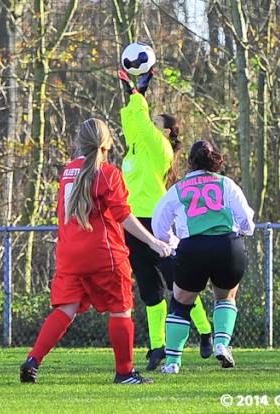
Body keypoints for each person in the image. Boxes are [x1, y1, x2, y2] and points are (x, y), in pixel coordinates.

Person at [19, 118, 171, 384]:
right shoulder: (108, 172)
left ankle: (33, 360)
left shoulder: (68, 171)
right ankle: (124, 373)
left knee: (65, 308)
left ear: (80, 141)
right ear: (107, 143)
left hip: (69, 253)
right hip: (104, 253)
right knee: (121, 309)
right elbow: (123, 216)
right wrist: (153, 242)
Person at [118, 68, 214, 371]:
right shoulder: (137, 148)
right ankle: (157, 346)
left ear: (168, 133)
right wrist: (130, 94)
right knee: (148, 288)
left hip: (155, 224)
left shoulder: (159, 147)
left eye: (157, 122)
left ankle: (206, 331)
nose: (151, 123)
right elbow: (132, 124)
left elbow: (143, 126)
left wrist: (140, 95)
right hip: (131, 223)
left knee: (178, 284)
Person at [151, 140, 255, 373]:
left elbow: (159, 223)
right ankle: (221, 344)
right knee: (226, 297)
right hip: (227, 246)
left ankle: (173, 362)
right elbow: (246, 219)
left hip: (193, 249)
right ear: (213, 159)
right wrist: (242, 233)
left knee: (180, 303)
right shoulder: (226, 184)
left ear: (189, 161)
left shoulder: (178, 189)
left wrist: (173, 243)